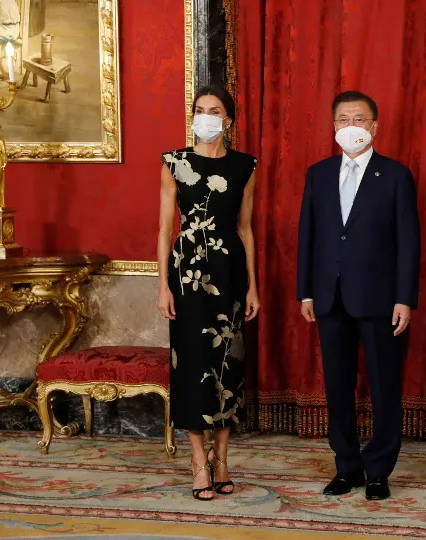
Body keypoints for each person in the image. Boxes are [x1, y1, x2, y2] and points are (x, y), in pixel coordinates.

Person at [297, 90, 420, 501]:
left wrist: (405, 297)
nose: (351, 126)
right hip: (329, 296)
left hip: (381, 299)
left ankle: (379, 470)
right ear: (333, 126)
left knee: (384, 386)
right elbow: (308, 236)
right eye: (343, 119)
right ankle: (346, 466)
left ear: (375, 126)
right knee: (337, 387)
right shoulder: (318, 174)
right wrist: (305, 292)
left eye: (360, 119)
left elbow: (409, 242)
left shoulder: (396, 175)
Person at [157, 84, 260, 501]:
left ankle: (222, 460)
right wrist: (162, 286)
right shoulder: (174, 162)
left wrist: (253, 286)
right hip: (186, 275)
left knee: (227, 362)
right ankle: (199, 460)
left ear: (228, 120)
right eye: (200, 109)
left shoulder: (245, 166)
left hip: (229, 272)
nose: (205, 116)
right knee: (191, 363)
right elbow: (164, 230)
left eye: (214, 110)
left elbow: (245, 228)